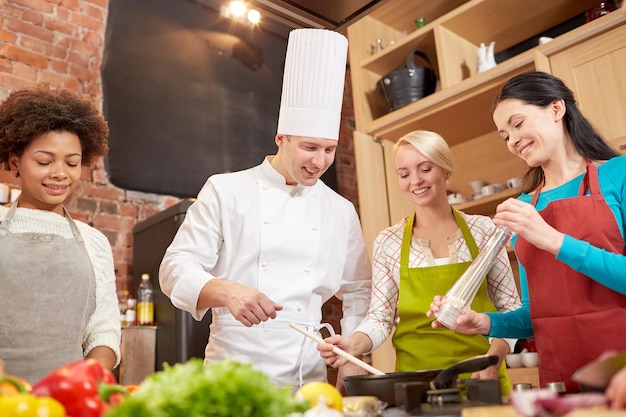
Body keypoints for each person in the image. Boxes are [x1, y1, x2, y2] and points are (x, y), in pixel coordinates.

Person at [159, 28, 372, 390]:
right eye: (309, 147)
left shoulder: (340, 210)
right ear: (281, 139)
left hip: (309, 376)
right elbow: (174, 269)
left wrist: (353, 360)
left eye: (329, 149)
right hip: (233, 373)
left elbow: (360, 291)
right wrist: (226, 291)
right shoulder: (226, 190)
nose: (320, 161)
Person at [428, 71, 626, 393]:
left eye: (518, 124)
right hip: (563, 378)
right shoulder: (523, 208)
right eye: (504, 135)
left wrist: (550, 238)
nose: (512, 141)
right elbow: (538, 313)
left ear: (556, 109)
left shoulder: (620, 174)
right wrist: (485, 322)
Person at [317, 130, 521, 394]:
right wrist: (353, 344)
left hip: (482, 377)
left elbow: (510, 308)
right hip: (415, 386)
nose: (415, 181)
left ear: (446, 170)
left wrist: (493, 360)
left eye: (425, 169)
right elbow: (380, 318)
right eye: (404, 174)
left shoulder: (484, 231)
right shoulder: (388, 242)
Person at [0, 85, 121, 384]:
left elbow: (103, 328)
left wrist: (91, 379)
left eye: (72, 163)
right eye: (44, 161)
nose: (60, 173)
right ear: (16, 162)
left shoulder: (94, 242)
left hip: (68, 401)